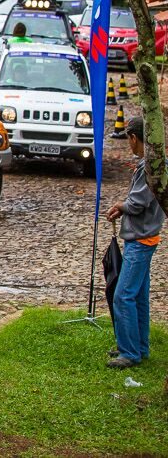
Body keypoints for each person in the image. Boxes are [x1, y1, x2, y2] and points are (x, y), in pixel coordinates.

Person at [105, 117, 162, 369]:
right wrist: (123, 209)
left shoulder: (149, 166)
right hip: (146, 236)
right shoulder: (155, 163)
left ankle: (129, 352)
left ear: (133, 138)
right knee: (138, 295)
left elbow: (138, 203)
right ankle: (140, 346)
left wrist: (120, 206)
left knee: (123, 295)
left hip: (140, 239)